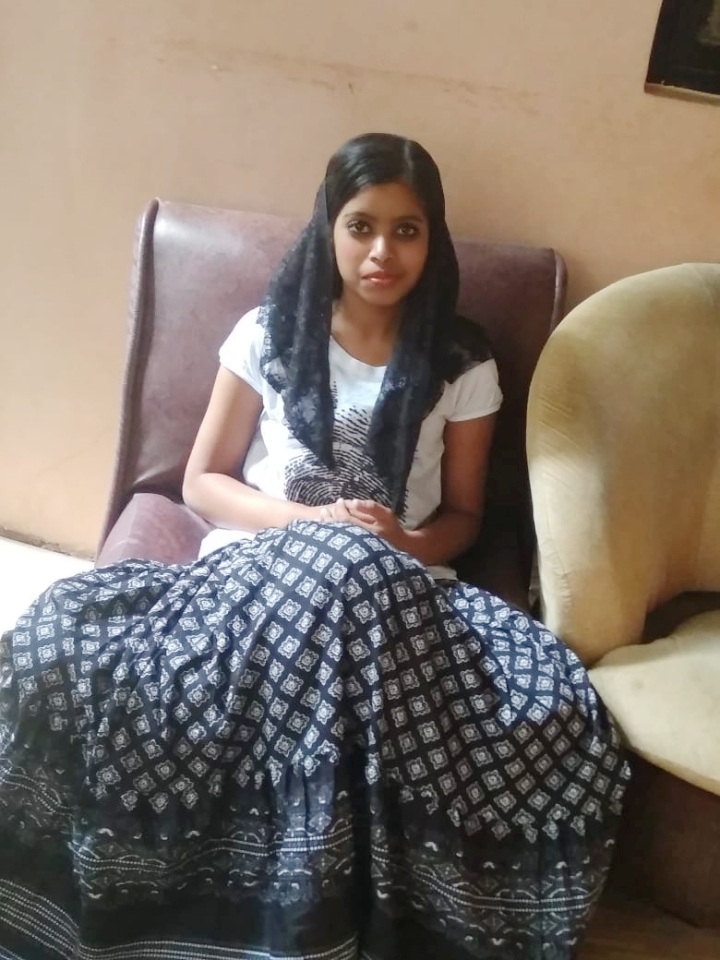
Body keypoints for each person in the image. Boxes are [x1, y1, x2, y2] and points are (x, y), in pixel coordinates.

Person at [0, 133, 629, 960]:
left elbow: (467, 517)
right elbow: (201, 482)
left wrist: (401, 539)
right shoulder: (267, 334)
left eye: (406, 230)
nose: (381, 252)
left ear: (432, 239)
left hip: (390, 587)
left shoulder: (462, 362)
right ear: (329, 226)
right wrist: (311, 523)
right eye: (361, 225)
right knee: (53, 642)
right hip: (255, 572)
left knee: (554, 717)